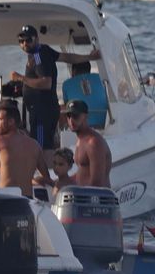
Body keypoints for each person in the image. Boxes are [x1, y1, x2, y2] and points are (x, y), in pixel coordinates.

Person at [14, 24, 99, 161]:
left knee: (41, 147)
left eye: (28, 40)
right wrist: (88, 57)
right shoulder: (44, 50)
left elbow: (46, 82)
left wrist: (21, 78)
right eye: (21, 41)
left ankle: (47, 178)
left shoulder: (37, 56)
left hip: (41, 111)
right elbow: (67, 57)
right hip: (47, 109)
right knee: (44, 143)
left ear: (36, 39)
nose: (24, 44)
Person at [0, 104, 51, 197]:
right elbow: (46, 177)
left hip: (6, 197)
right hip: (26, 199)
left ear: (11, 121)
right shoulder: (34, 144)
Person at [63, 99, 112, 188]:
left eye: (75, 116)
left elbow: (97, 183)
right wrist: (52, 181)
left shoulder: (93, 143)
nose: (71, 120)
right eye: (68, 116)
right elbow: (83, 173)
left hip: (96, 199)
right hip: (85, 197)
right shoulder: (81, 140)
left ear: (86, 116)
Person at [62, 60, 109, 129]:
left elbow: (67, 106)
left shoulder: (66, 84)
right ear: (89, 69)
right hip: (105, 123)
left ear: (74, 70)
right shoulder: (100, 78)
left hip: (81, 126)